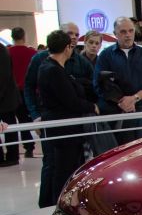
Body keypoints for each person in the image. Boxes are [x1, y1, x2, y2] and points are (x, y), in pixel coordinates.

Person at [37, 30, 98, 204]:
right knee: (64, 168)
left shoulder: (47, 66)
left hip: (60, 125)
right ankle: (62, 202)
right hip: (64, 128)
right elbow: (70, 100)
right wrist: (91, 106)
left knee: (63, 166)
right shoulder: (53, 70)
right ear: (67, 48)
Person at [93, 17, 142, 145]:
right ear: (115, 34)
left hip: (139, 111)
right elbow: (99, 85)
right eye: (123, 32)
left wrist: (134, 98)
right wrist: (122, 101)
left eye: (131, 31)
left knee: (139, 151)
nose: (128, 35)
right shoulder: (105, 56)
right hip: (113, 113)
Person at [8, 27, 37, 158]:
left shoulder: (8, 52)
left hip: (15, 92)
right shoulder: (32, 53)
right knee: (33, 117)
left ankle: (28, 145)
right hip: (30, 90)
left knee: (21, 119)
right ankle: (32, 144)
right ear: (24, 36)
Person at [0, 43, 20, 167]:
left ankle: (13, 156)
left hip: (6, 99)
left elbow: (3, 76)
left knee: (10, 128)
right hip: (6, 97)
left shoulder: (1, 51)